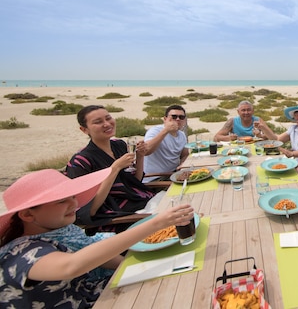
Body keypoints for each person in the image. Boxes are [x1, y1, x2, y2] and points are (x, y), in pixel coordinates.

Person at [0, 167, 193, 308]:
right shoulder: (20, 253)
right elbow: (71, 266)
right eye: (61, 201)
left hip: (104, 293)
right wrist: (156, 223)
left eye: (72, 197)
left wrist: (149, 269)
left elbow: (104, 258)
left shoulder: (63, 231)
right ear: (27, 215)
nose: (73, 204)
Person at [65, 105, 157, 235]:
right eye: (98, 122)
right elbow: (88, 210)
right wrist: (114, 169)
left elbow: (135, 182)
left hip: (141, 201)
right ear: (84, 129)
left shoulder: (119, 145)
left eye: (108, 118)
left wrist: (140, 156)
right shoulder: (81, 161)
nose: (107, 124)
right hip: (120, 218)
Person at [260, 104, 298, 173]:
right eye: (295, 116)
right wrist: (263, 127)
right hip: (296, 159)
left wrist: (292, 153)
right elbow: (277, 140)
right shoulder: (293, 128)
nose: (296, 118)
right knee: (276, 166)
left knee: (289, 172)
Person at [143, 105, 190, 183]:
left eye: (181, 117)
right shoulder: (155, 131)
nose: (178, 119)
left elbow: (184, 155)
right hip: (154, 178)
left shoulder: (181, 135)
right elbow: (146, 151)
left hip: (173, 174)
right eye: (174, 117)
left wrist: (182, 164)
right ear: (165, 119)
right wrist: (166, 130)